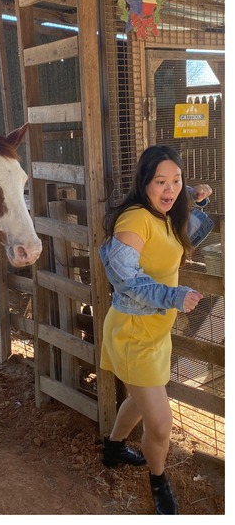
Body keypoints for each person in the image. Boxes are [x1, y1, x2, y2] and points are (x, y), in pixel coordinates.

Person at [99, 145, 213, 515]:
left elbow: (177, 242)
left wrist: (191, 199)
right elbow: (125, 280)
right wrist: (174, 295)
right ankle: (159, 481)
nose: (170, 188)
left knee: (139, 397)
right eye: (161, 181)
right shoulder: (134, 220)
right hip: (133, 331)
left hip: (155, 331)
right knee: (161, 425)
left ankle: (114, 449)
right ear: (143, 182)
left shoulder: (165, 212)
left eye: (176, 180)